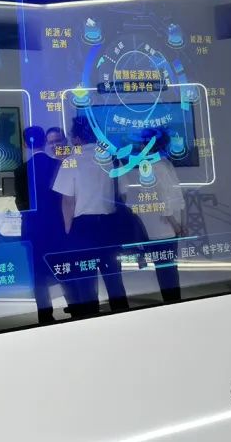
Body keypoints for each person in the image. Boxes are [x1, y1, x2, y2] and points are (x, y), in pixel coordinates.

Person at [53, 119, 129, 316]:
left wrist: (68, 229)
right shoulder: (113, 159)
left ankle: (91, 319)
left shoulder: (72, 161)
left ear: (78, 138)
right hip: (109, 226)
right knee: (114, 277)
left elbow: (68, 201)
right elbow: (123, 195)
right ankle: (123, 316)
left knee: (86, 280)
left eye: (72, 136)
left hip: (83, 228)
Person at [116, 129, 186, 303]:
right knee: (169, 268)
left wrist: (176, 224)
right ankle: (173, 302)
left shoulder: (151, 166)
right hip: (167, 227)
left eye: (142, 143)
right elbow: (176, 196)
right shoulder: (164, 164)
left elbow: (163, 199)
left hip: (160, 228)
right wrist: (180, 223)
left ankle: (171, 302)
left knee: (165, 269)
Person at [23, 126, 68, 325]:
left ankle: (45, 315)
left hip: (33, 229)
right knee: (63, 268)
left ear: (25, 144)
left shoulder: (21, 170)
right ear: (44, 141)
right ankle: (76, 304)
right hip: (57, 225)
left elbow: (20, 204)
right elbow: (64, 197)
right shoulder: (58, 165)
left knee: (38, 275)